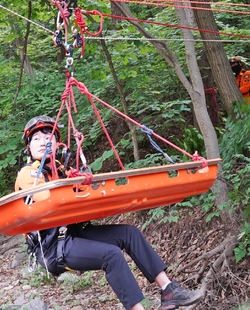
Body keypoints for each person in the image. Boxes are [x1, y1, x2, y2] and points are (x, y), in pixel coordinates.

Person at [15, 115, 205, 310]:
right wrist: (75, 183)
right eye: (36, 139)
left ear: (57, 143)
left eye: (48, 137)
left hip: (75, 233)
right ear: (28, 147)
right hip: (53, 247)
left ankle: (169, 290)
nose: (43, 142)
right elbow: (51, 200)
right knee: (111, 255)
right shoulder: (28, 174)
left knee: (129, 234)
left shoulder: (65, 170)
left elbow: (87, 200)